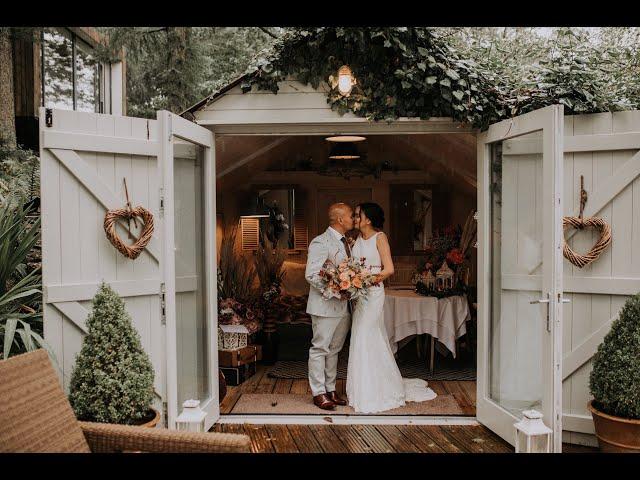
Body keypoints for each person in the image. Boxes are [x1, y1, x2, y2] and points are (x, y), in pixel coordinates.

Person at [346, 202, 437, 413]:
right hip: (359, 296)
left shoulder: (380, 238)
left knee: (365, 335)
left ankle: (376, 389)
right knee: (360, 336)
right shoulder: (357, 240)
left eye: (358, 215)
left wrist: (367, 280)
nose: (355, 218)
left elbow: (389, 269)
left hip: (374, 294)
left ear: (368, 219)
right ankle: (363, 387)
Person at [305, 202, 354, 410]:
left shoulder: (347, 243)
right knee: (320, 348)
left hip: (343, 308)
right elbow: (312, 274)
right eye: (351, 216)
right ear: (340, 219)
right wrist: (338, 291)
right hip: (325, 306)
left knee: (335, 349)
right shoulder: (320, 242)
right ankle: (318, 392)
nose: (354, 219)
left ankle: (331, 388)